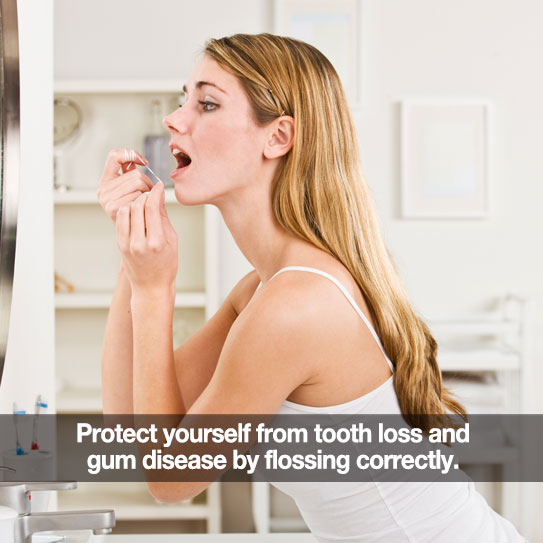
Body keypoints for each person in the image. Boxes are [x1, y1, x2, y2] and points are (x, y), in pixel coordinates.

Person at [98, 33, 526, 542]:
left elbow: (171, 479)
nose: (175, 118)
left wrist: (154, 290)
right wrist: (134, 261)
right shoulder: (264, 289)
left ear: (278, 137)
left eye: (207, 103)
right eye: (183, 98)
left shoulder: (296, 305)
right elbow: (129, 431)